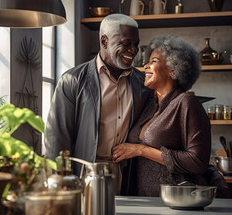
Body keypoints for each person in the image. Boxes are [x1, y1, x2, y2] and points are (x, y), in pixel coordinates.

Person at [44, 14, 154, 193]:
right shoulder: (72, 80)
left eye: (136, 44)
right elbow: (57, 138)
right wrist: (60, 184)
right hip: (84, 173)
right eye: (126, 43)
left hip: (126, 174)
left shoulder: (143, 84)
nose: (133, 50)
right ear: (104, 41)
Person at [112, 34, 229, 197]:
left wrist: (140, 150)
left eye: (153, 61)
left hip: (178, 203)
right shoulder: (149, 106)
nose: (146, 66)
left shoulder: (187, 103)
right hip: (145, 202)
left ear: (173, 68)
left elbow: (197, 162)